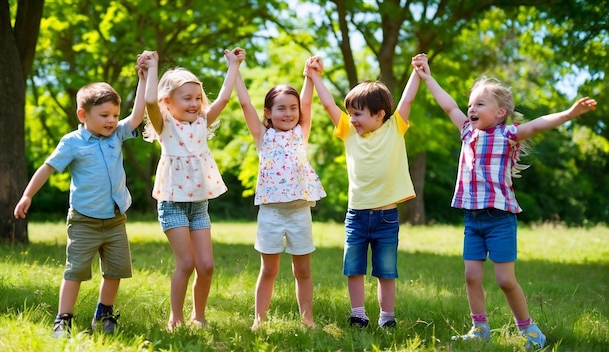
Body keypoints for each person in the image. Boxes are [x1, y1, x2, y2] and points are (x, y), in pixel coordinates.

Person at [412, 53, 597, 350]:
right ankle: (480, 327)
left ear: (500, 113)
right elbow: (447, 104)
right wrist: (427, 76)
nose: (471, 109)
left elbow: (537, 125)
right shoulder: (466, 132)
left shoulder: (507, 134)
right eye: (470, 104)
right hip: (473, 219)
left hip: (499, 219)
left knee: (504, 280)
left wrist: (568, 114)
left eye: (479, 104)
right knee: (471, 275)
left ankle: (531, 331)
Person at [13, 53, 149, 337]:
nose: (112, 121)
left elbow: (137, 116)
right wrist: (27, 196)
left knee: (115, 271)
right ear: (83, 115)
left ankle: (104, 313)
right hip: (84, 220)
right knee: (75, 271)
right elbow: (46, 168)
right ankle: (64, 318)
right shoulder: (72, 143)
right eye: (104, 116)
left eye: (114, 115)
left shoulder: (117, 134)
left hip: (114, 220)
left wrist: (143, 78)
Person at [305, 55, 421, 329]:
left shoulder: (395, 127)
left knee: (386, 272)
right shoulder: (348, 130)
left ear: (380, 114)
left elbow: (407, 100)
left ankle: (387, 317)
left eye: (358, 113)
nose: (352, 119)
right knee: (353, 268)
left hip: (386, 218)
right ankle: (358, 314)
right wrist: (315, 76)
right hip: (356, 216)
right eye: (351, 113)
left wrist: (417, 72)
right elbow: (327, 104)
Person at [142, 48, 245, 331]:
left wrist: (233, 65)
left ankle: (198, 316)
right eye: (186, 98)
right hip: (172, 203)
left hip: (198, 204)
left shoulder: (201, 122)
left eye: (198, 98)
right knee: (186, 263)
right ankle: (175, 317)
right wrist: (152, 69)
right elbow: (150, 99)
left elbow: (224, 97)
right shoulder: (166, 126)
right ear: (168, 102)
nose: (194, 103)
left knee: (207, 266)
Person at [234, 57, 326, 330]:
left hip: (299, 212)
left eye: (292, 108)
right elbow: (244, 104)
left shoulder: (300, 133)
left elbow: (308, 104)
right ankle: (259, 321)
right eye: (281, 108)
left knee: (303, 270)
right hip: (271, 213)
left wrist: (309, 76)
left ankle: (307, 320)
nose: (289, 113)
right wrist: (235, 70)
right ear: (269, 112)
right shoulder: (263, 136)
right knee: (269, 269)